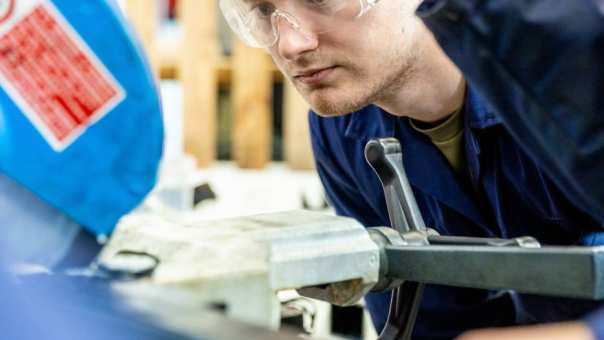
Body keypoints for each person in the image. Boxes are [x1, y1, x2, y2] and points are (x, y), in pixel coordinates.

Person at [219, 0, 604, 339]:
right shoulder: (344, 130)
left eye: (321, 0)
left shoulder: (563, 66)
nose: (290, 43)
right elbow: (426, 323)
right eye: (264, 10)